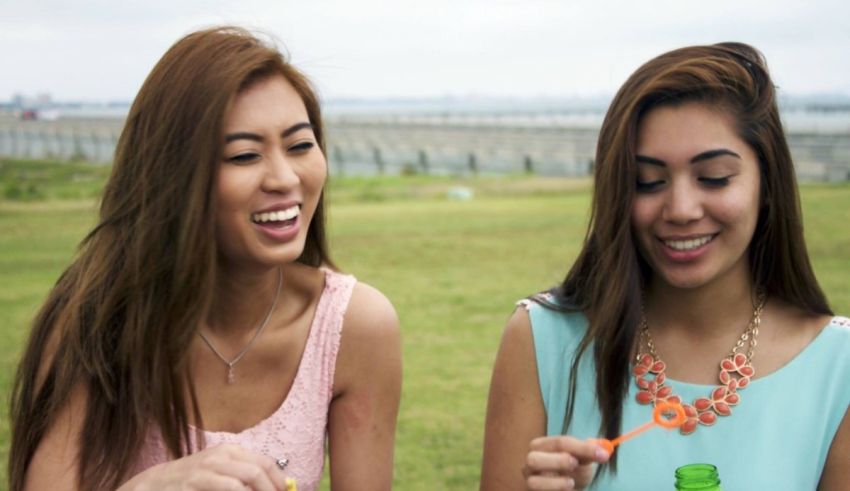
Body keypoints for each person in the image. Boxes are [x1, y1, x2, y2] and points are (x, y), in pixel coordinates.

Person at [9, 26, 402, 491]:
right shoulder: (93, 323)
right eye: (244, 155)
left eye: (299, 146)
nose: (284, 177)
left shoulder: (353, 327)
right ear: (173, 174)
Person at [480, 42, 850, 490]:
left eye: (713, 177)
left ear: (767, 182)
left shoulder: (838, 367)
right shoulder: (541, 338)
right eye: (647, 182)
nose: (680, 209)